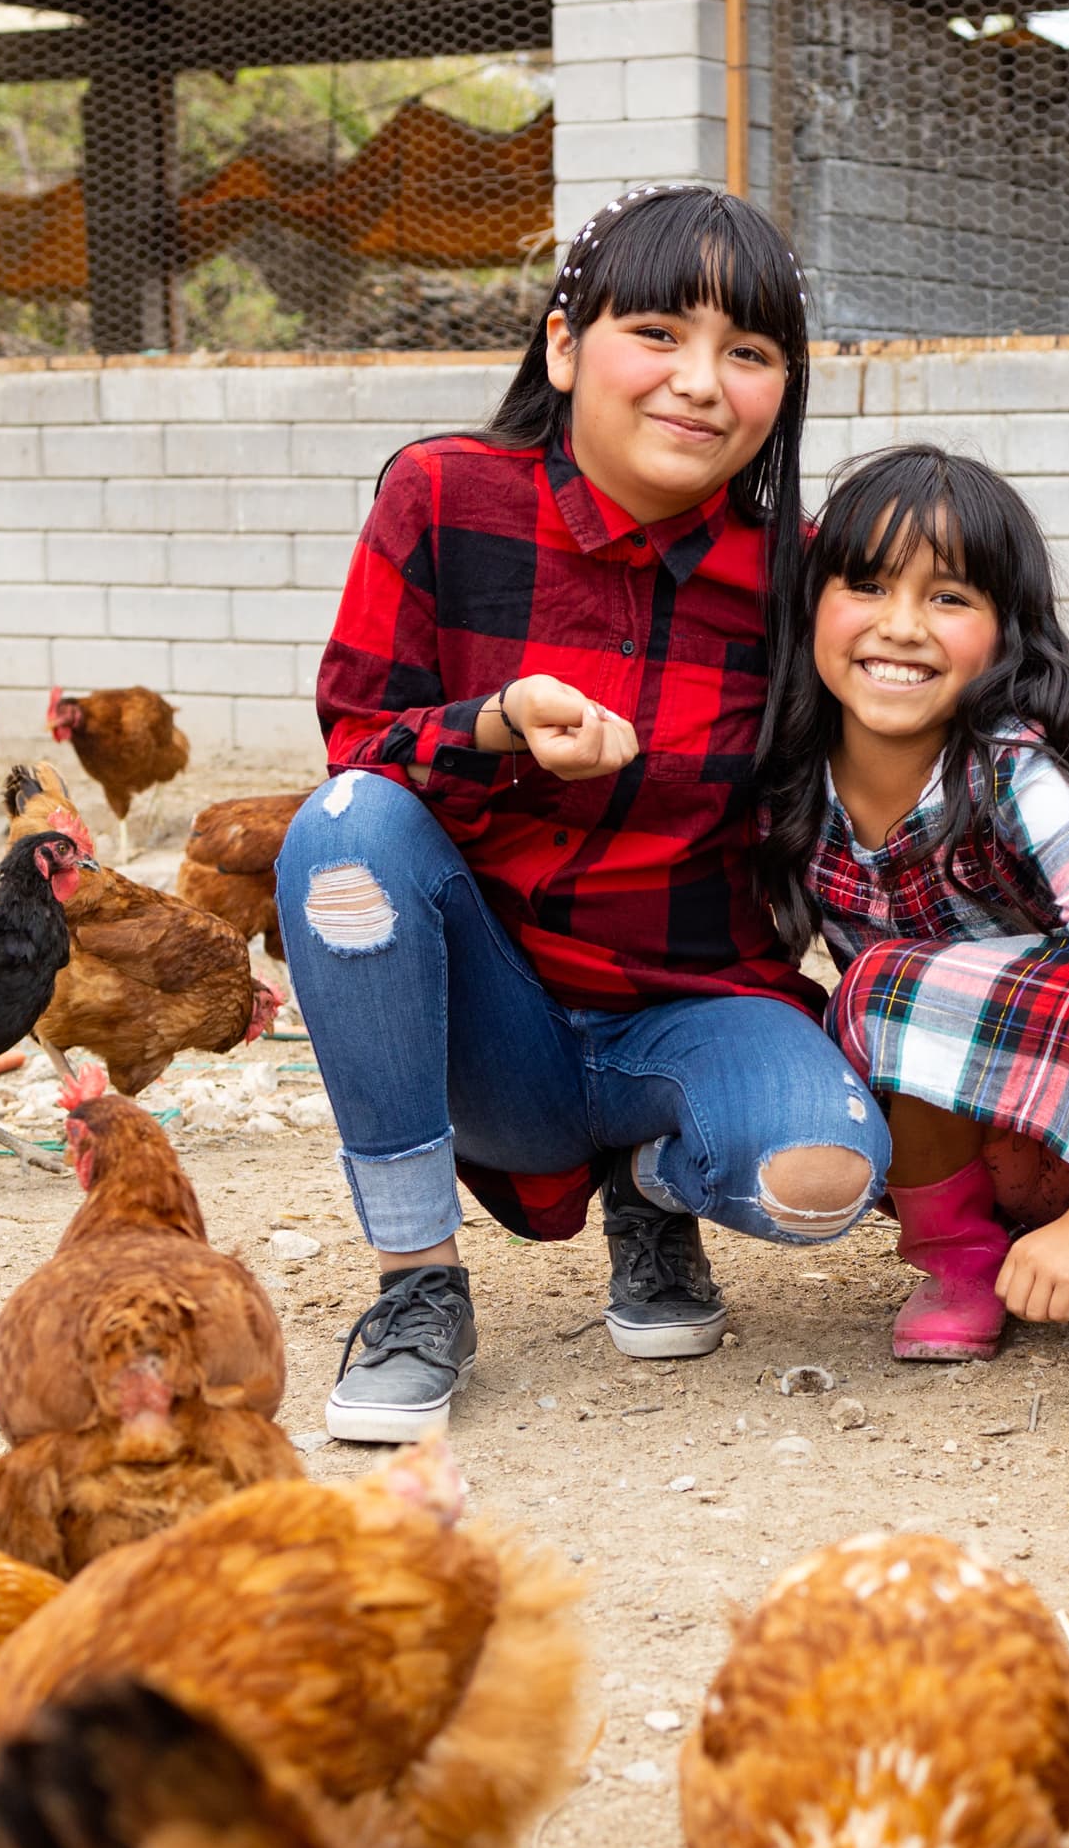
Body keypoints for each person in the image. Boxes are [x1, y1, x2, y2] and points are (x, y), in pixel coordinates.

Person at [280, 185, 879, 1443]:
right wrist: (495, 727)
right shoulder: (445, 497)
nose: (702, 383)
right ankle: (416, 1285)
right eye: (658, 333)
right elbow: (360, 754)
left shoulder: (799, 575)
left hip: (696, 1007)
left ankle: (653, 1186)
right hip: (497, 1024)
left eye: (749, 353)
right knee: (341, 832)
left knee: (825, 1182)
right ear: (564, 347)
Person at [756, 444, 1069, 1364]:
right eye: (868, 585)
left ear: (1005, 632)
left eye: (949, 597)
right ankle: (960, 1256)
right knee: (873, 998)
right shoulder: (791, 787)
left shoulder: (1011, 771)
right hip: (971, 1116)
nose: (901, 626)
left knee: (894, 982)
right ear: (811, 603)